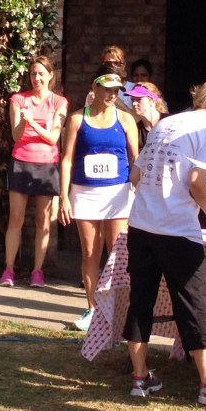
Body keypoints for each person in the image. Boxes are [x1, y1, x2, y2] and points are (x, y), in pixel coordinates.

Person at [124, 80, 206, 405]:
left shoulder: (166, 123)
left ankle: (140, 376)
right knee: (193, 306)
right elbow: (197, 179)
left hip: (141, 224)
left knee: (141, 302)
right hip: (177, 228)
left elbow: (135, 176)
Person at [60, 64, 138, 331]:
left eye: (116, 90)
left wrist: (140, 191)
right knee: (90, 253)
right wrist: (63, 196)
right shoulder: (76, 119)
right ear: (94, 87)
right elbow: (67, 159)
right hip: (84, 193)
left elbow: (136, 159)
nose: (112, 95)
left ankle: (118, 310)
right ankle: (93, 309)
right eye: (107, 89)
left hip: (118, 194)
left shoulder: (126, 120)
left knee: (117, 253)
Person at [0, 56, 68, 288]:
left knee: (43, 221)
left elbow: (53, 138)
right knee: (15, 219)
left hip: (47, 165)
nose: (36, 78)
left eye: (41, 73)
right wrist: (23, 121)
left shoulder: (59, 102)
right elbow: (16, 135)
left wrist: (34, 123)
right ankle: (8, 269)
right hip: (21, 162)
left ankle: (37, 271)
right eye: (33, 74)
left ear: (50, 76)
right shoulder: (18, 100)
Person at [124, 83, 168, 150]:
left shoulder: (169, 122)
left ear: (152, 101)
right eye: (132, 100)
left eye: (139, 99)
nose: (134, 103)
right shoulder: (135, 130)